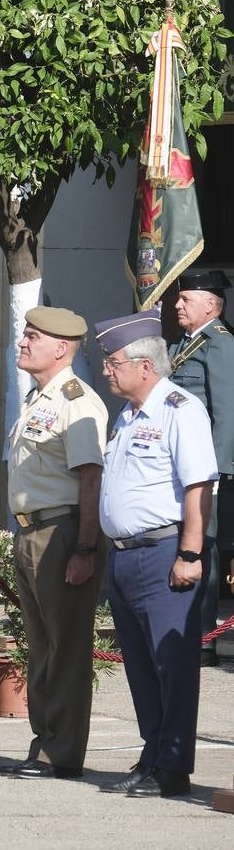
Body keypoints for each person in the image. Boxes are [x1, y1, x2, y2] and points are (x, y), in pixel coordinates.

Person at [93, 308, 216, 799]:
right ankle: (152, 753)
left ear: (145, 366)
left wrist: (189, 553)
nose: (106, 370)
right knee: (141, 666)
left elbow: (198, 487)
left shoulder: (180, 409)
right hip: (124, 556)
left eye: (113, 362)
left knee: (172, 664)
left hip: (164, 552)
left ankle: (173, 766)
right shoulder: (128, 414)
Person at [0, 307, 109, 781]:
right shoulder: (41, 398)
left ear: (61, 348)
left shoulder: (77, 401)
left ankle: (60, 755)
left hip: (61, 533)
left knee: (64, 647)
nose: (23, 342)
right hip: (31, 531)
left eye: (33, 336)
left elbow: (90, 479)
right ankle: (43, 742)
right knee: (41, 646)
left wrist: (84, 549)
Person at [168, 269, 234, 666]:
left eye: (186, 299)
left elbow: (226, 412)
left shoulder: (220, 345)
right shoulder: (186, 343)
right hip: (181, 461)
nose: (177, 304)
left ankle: (203, 637)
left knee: (202, 547)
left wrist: (216, 469)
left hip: (204, 467)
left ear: (211, 305)